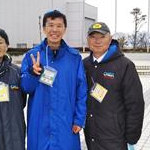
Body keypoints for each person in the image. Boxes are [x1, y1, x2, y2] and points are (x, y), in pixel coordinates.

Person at [21, 10, 87, 150]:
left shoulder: (74, 58)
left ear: (64, 29)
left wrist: (79, 119)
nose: (55, 30)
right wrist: (33, 73)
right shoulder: (32, 56)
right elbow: (26, 88)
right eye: (51, 25)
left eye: (59, 25)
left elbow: (81, 92)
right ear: (44, 28)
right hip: (40, 124)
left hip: (66, 123)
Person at [83, 22, 145, 150]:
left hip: (116, 139)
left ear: (110, 39)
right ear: (88, 40)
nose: (97, 41)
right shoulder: (84, 65)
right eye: (93, 37)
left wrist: (132, 137)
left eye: (102, 37)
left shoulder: (125, 66)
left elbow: (135, 105)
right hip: (91, 137)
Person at [0, 29, 26, 150]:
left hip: (14, 132)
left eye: (0, 42)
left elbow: (22, 102)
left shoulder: (17, 72)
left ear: (7, 45)